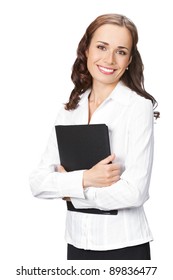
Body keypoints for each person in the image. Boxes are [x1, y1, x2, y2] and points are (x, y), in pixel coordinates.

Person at [29, 13, 160, 260]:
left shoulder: (137, 107)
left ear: (129, 59)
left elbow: (135, 193)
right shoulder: (69, 109)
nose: (109, 59)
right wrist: (88, 178)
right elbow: (37, 183)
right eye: (101, 47)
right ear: (86, 50)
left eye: (121, 51)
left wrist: (72, 191)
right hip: (76, 244)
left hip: (125, 246)